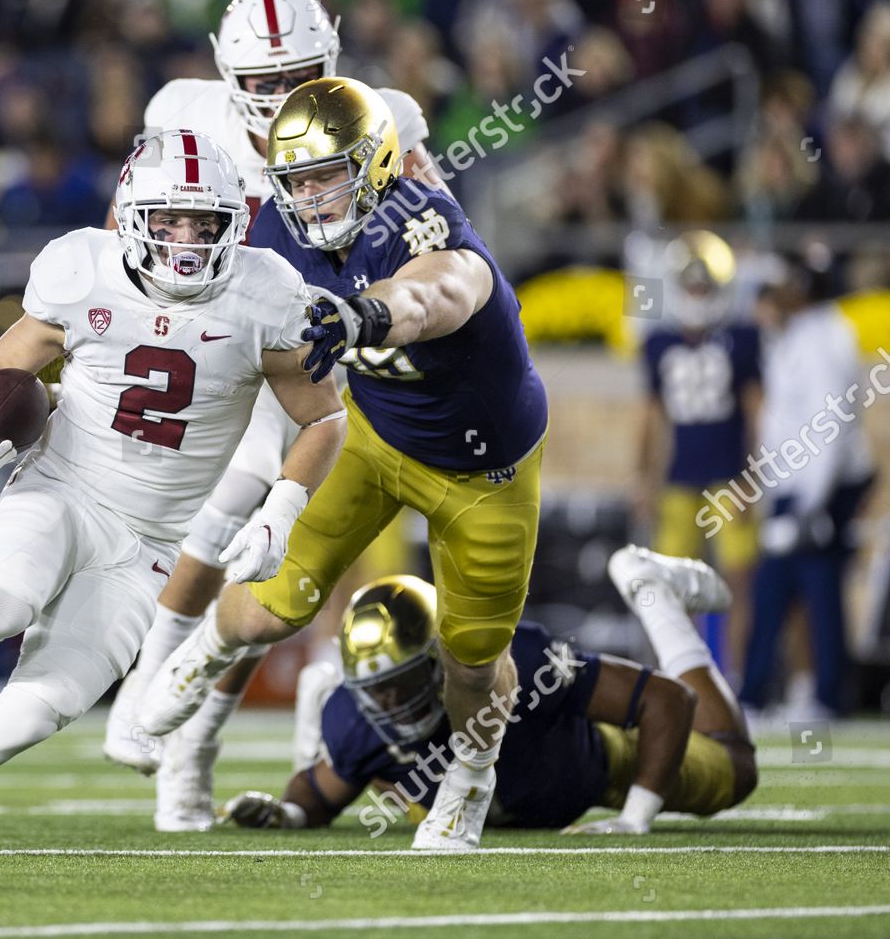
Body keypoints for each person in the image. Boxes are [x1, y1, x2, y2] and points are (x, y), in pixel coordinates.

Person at [0, 130, 346, 855]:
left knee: (29, 717)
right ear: (131, 217)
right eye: (168, 221)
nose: (185, 239)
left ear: (230, 225)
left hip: (148, 545)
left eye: (203, 223)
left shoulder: (264, 293)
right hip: (63, 486)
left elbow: (324, 417)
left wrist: (283, 506)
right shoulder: (85, 272)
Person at [140, 76, 548, 852]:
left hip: (482, 466)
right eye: (297, 179)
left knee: (469, 661)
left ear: (380, 162)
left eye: (330, 173)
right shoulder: (273, 233)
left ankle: (468, 777)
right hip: (372, 434)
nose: (314, 196)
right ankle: (205, 652)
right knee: (266, 604)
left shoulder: (420, 220)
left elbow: (443, 292)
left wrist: (367, 314)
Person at [101, 0, 449, 833]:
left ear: (329, 62)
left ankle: (179, 731)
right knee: (218, 532)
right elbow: (133, 224)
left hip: (324, 350)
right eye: (262, 80)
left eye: (298, 75)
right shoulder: (185, 114)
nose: (279, 96)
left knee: (267, 562)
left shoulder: (380, 113)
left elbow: (435, 227)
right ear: (226, 77)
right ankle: (156, 709)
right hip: (224, 346)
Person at [216, 548, 758, 836]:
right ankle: (321, 709)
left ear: (438, 659)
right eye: (376, 689)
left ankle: (650, 588)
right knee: (391, 779)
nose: (389, 703)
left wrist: (636, 816)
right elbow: (318, 792)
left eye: (401, 683)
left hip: (595, 763)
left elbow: (666, 700)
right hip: (500, 797)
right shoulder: (358, 719)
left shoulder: (517, 662)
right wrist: (284, 813)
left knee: (734, 771)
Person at [739, 246, 875, 718]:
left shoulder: (826, 338)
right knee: (793, 587)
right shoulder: (800, 332)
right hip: (800, 487)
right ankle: (794, 693)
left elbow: (829, 428)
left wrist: (809, 504)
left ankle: (817, 695)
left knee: (809, 587)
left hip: (821, 489)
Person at [633, 231, 761, 674]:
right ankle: (684, 677)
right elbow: (653, 419)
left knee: (737, 582)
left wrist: (752, 475)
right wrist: (644, 480)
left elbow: (754, 409)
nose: (697, 293)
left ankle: (736, 679)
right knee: (674, 587)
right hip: (680, 476)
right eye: (691, 285)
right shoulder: (659, 343)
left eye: (704, 286)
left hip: (728, 473)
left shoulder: (742, 338)